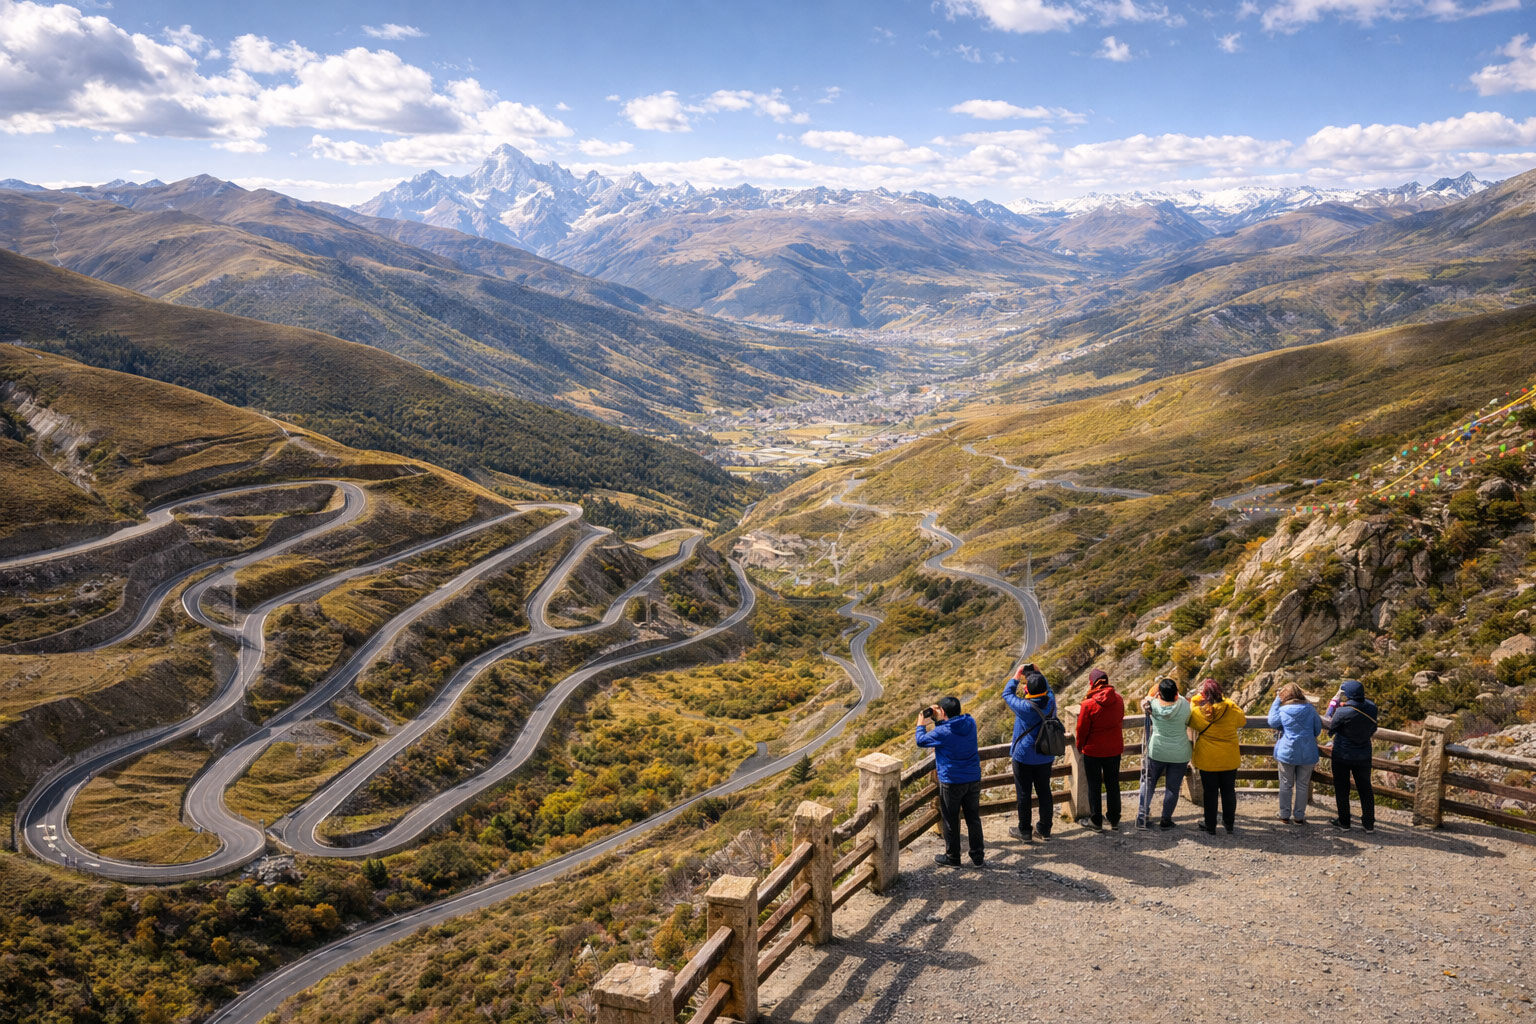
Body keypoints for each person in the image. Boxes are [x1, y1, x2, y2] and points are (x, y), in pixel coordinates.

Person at [915, 696, 984, 866]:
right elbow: (950, 730)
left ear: (943, 712)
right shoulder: (970, 722)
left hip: (952, 781)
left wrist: (921, 724)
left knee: (951, 819)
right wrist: (940, 719)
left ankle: (953, 857)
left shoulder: (942, 733)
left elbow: (920, 741)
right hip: (973, 778)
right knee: (973, 818)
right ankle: (978, 857)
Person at [1004, 663, 1059, 842]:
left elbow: (1007, 694)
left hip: (1024, 757)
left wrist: (1017, 674)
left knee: (1024, 794)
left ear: (1027, 690)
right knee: (1044, 792)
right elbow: (1048, 687)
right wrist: (1038, 672)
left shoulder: (1024, 707)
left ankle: (1025, 831)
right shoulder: (1050, 701)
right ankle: (1045, 829)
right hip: (1045, 755)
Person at [1188, 678, 1245, 834]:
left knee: (1210, 793)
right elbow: (1242, 720)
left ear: (1204, 695)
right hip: (1229, 758)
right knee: (1228, 791)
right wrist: (1226, 699)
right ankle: (1229, 824)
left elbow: (1190, 714)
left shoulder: (1198, 713)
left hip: (1208, 760)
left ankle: (1210, 825)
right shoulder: (1231, 709)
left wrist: (1195, 699)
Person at [1323, 679, 1379, 832]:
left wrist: (1334, 705)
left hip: (1343, 754)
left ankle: (1344, 822)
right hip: (1364, 754)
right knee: (1365, 788)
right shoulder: (1372, 707)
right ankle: (1368, 823)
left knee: (1342, 788)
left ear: (1347, 694)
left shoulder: (1343, 711)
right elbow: (1373, 727)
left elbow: (1331, 728)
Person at [1074, 667, 1125, 831]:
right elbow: (1120, 718)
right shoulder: (1119, 699)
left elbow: (1081, 729)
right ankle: (1114, 819)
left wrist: (1079, 746)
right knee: (1113, 784)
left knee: (1094, 785)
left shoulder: (1088, 704)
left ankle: (1096, 821)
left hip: (1093, 751)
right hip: (1114, 749)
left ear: (1092, 683)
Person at [1136, 678, 1191, 830]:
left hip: (1157, 751)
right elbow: (1188, 718)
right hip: (1180, 753)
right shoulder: (1185, 705)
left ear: (1160, 693)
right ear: (1175, 693)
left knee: (1149, 783)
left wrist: (1151, 696)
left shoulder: (1151, 706)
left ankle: (1142, 817)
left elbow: (1145, 700)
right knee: (1172, 788)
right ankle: (1166, 820)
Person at [1268, 683, 1322, 824]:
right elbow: (1317, 729)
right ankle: (1299, 816)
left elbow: (1272, 721)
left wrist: (1277, 700)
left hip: (1288, 751)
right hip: (1308, 752)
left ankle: (1284, 815)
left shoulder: (1283, 709)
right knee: (1303, 785)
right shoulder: (1310, 709)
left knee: (1286, 784)